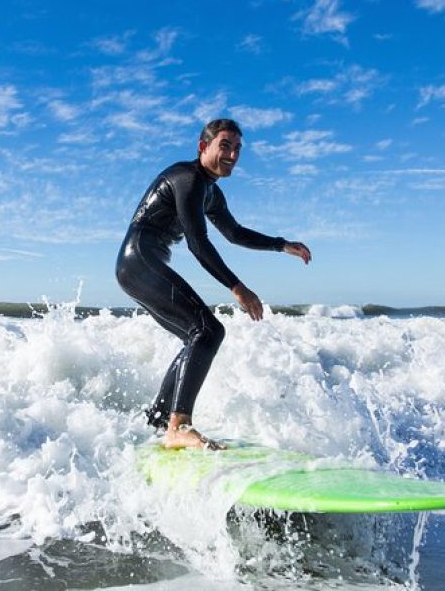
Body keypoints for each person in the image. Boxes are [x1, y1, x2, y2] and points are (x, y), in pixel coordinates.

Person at [115, 119, 312, 450]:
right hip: (139, 260)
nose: (233, 154)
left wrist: (282, 244)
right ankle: (179, 426)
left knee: (196, 337)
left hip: (138, 265)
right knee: (208, 331)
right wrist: (237, 286)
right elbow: (197, 241)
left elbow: (234, 233)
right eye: (225, 145)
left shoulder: (210, 192)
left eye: (237, 149)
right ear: (202, 147)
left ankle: (160, 422)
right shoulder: (187, 179)